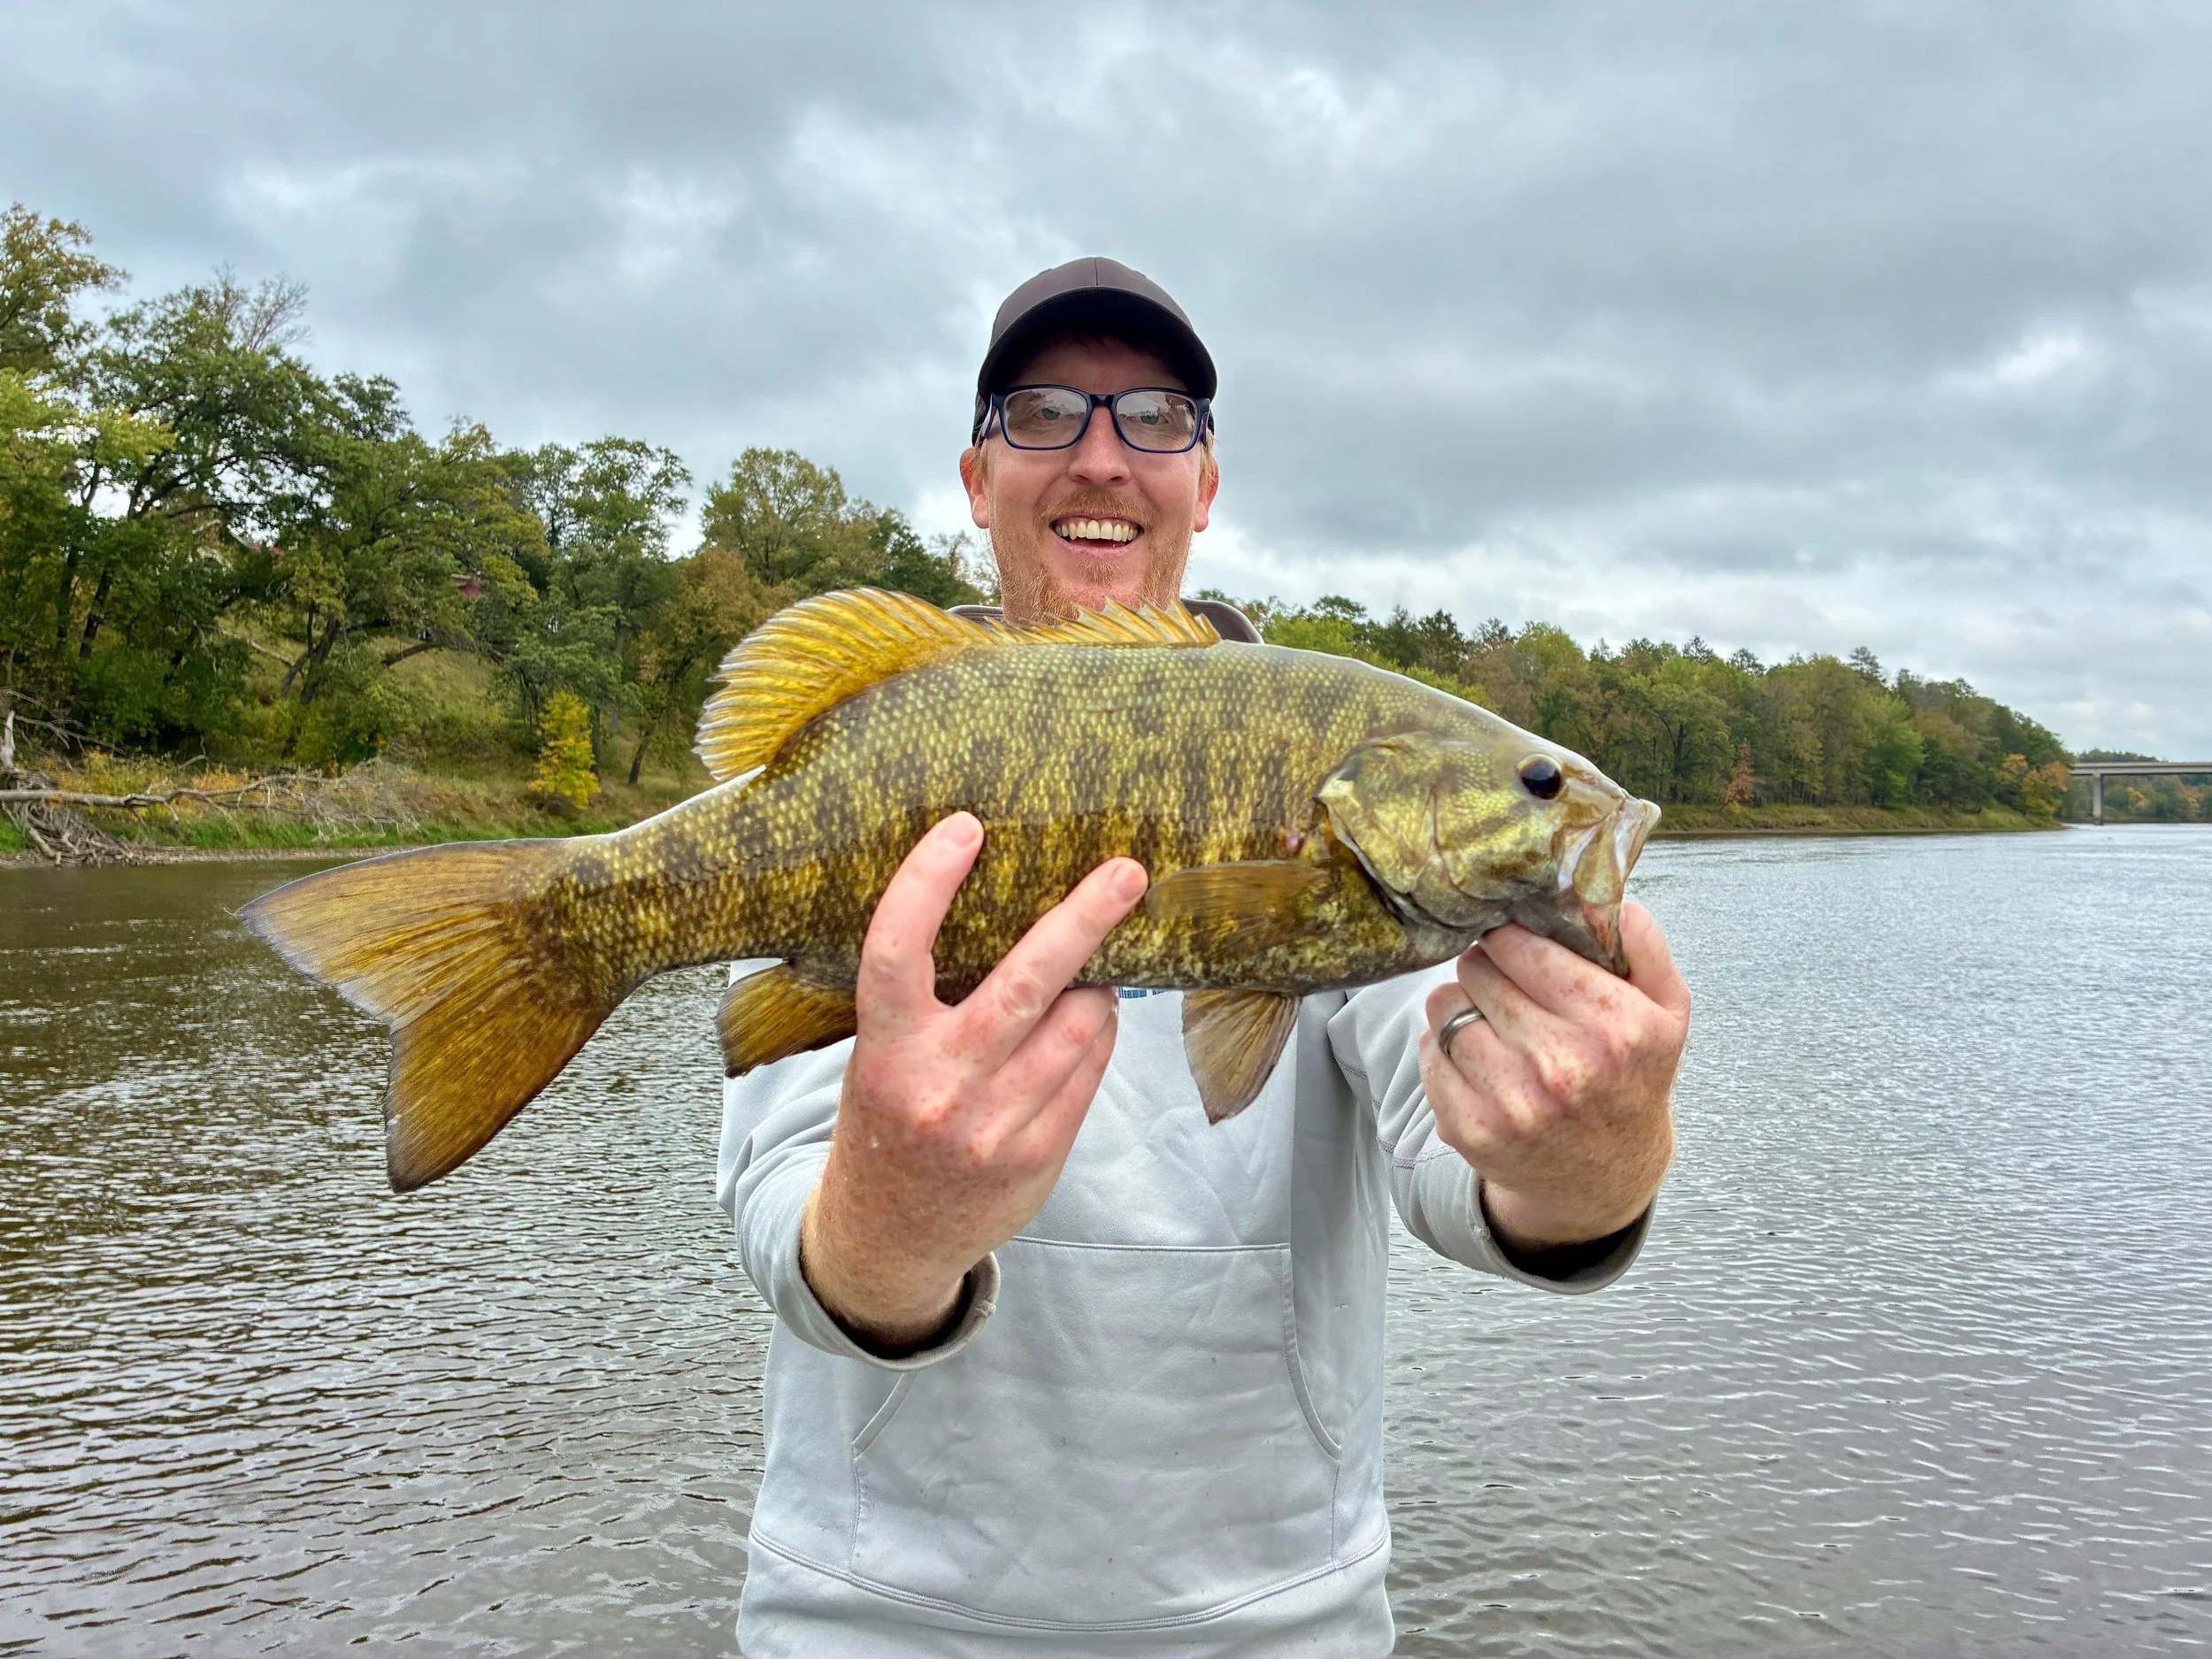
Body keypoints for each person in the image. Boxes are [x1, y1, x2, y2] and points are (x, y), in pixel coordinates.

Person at [718, 257, 1690, 1656]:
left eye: (1158, 417)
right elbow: (788, 1217)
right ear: (977, 477)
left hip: (1283, 1628)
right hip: (868, 1622)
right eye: (1045, 412)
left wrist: (1595, 1157)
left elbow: (1463, 1149)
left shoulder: (1370, 822)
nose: (1103, 454)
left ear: (1207, 481)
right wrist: (894, 1217)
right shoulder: (895, 759)